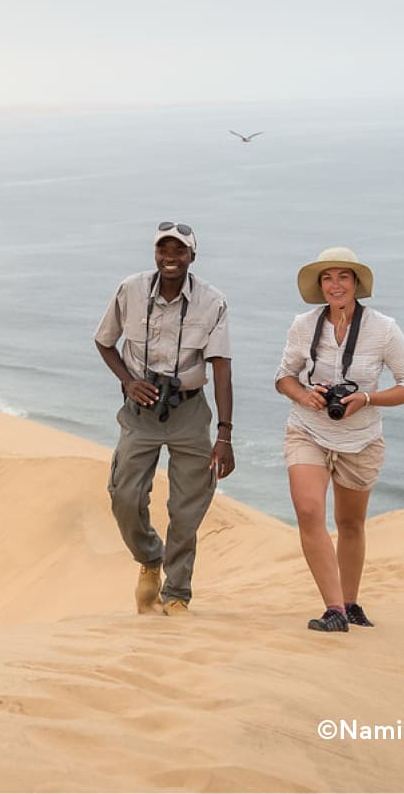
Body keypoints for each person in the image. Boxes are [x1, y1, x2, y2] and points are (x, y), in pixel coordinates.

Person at [274, 247, 404, 632]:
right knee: (309, 511)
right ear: (319, 285)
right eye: (327, 277)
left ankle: (351, 602)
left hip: (361, 438)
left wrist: (368, 398)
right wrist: (303, 395)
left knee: (351, 522)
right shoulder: (303, 324)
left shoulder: (384, 328)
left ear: (356, 284)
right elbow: (283, 376)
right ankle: (334, 609)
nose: (335, 284)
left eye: (343, 276)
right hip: (307, 428)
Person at [94, 221, 235, 616]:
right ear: (155, 254)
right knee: (124, 495)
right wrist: (128, 382)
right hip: (140, 410)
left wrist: (224, 434)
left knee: (188, 506)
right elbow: (104, 342)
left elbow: (221, 367)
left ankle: (177, 593)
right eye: (163, 251)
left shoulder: (213, 301)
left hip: (189, 410)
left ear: (193, 256)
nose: (170, 258)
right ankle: (150, 558)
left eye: (179, 252)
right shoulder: (130, 290)